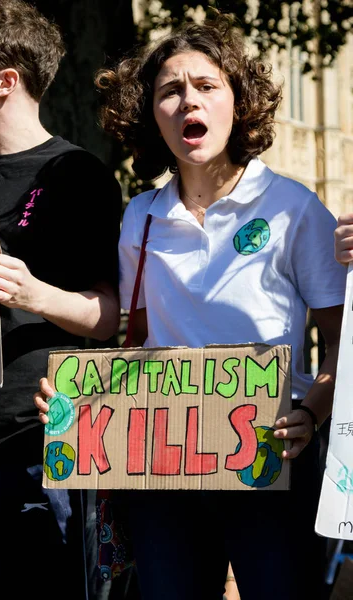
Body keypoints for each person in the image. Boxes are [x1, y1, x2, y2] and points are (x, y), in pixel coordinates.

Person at [35, 10, 347, 600]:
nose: (187, 102)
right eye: (169, 91)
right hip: (164, 471)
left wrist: (312, 412)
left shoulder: (293, 208)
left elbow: (343, 343)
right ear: (152, 115)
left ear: (238, 103)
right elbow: (135, 341)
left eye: (206, 86)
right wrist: (81, 398)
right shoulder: (139, 217)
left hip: (270, 458)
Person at [0, 1, 122, 599]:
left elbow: (109, 320)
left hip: (31, 446)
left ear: (5, 82)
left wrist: (34, 293)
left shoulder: (77, 175)